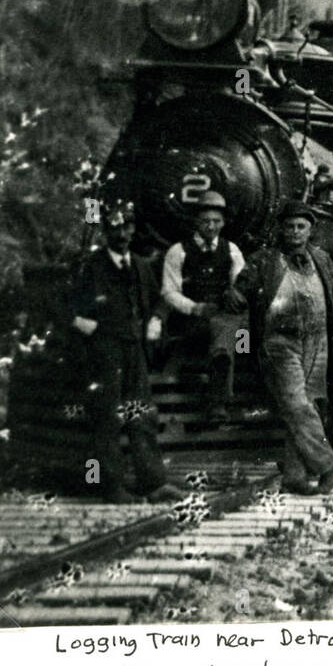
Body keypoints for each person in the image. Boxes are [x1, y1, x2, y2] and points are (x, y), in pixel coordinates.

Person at [232, 199, 333, 495]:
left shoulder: (321, 258)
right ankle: (326, 463)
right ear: (281, 230)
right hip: (279, 342)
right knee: (296, 404)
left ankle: (295, 477)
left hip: (317, 339)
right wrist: (234, 294)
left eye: (301, 227)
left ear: (310, 230)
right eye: (290, 227)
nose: (295, 232)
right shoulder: (264, 260)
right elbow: (240, 289)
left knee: (306, 407)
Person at [70, 202, 186, 504]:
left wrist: (157, 319)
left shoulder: (139, 265)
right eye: (116, 227)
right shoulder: (92, 266)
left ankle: (153, 482)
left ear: (133, 229)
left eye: (127, 227)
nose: (122, 234)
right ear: (106, 230)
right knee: (108, 417)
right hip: (104, 352)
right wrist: (88, 327)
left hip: (135, 351)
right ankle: (111, 485)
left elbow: (159, 299)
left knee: (141, 415)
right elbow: (66, 307)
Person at [160, 191, 246, 424]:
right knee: (221, 336)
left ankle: (220, 394)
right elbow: (169, 292)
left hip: (224, 318)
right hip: (190, 318)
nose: (211, 226)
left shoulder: (232, 251)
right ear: (196, 222)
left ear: (223, 222)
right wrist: (194, 307)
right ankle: (218, 397)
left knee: (234, 331)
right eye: (205, 221)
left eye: (216, 222)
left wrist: (234, 292)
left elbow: (241, 285)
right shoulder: (178, 251)